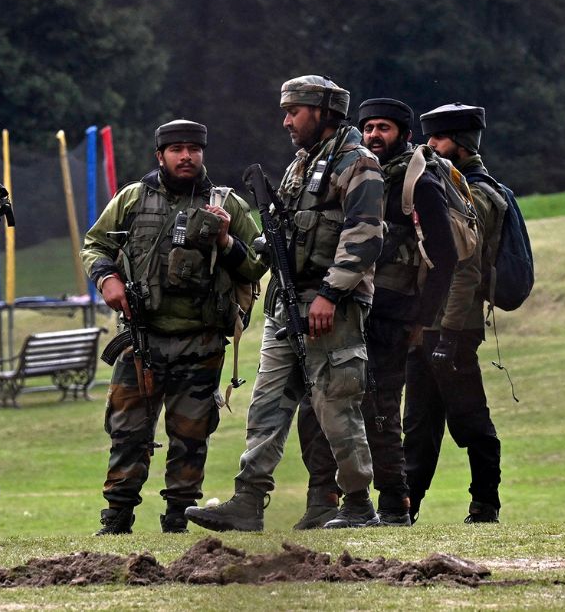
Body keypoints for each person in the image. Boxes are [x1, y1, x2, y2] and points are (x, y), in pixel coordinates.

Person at [185, 76, 385, 531]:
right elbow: (289, 231)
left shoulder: (358, 164)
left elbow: (364, 236)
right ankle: (247, 501)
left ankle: (357, 503)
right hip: (287, 304)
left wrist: (331, 294)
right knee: (266, 405)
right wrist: (236, 240)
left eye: (294, 110)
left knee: (336, 405)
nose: (286, 120)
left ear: (322, 111)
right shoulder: (302, 164)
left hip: (329, 307)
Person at [80, 119, 267, 535]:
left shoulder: (228, 204)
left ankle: (178, 516)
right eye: (177, 149)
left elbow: (257, 263)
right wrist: (107, 278)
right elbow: (96, 244)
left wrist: (225, 242)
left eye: (194, 149)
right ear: (160, 155)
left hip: (201, 341)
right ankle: (116, 517)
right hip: (142, 338)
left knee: (191, 435)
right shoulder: (132, 198)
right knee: (127, 431)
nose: (186, 156)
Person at [293, 98, 470, 528]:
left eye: (384, 128)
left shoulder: (419, 182)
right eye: (369, 126)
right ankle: (332, 502)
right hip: (354, 308)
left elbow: (444, 258)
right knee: (323, 404)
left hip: (393, 315)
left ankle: (393, 505)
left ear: (404, 134)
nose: (374, 134)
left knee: (380, 409)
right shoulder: (355, 175)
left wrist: (421, 323)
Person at [405, 102, 503, 524]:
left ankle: (485, 503)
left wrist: (447, 334)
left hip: (453, 327)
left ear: (461, 144)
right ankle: (403, 507)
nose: (430, 145)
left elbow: (467, 269)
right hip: (429, 325)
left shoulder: (474, 195)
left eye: (439, 138)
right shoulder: (450, 188)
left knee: (469, 418)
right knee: (418, 424)